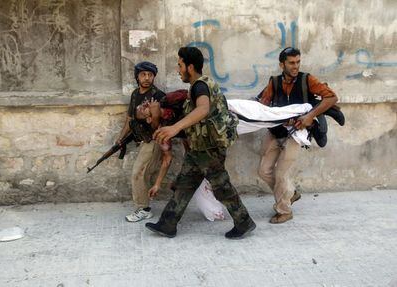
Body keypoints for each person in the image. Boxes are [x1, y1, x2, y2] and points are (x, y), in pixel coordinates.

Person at [144, 47, 256, 239]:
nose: (178, 70)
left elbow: (203, 109)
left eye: (180, 65)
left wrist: (175, 128)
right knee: (184, 185)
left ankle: (244, 221)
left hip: (209, 149)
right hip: (199, 149)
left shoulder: (199, 86)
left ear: (190, 66)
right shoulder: (199, 85)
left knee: (222, 186)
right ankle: (167, 224)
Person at [256, 47, 338, 224]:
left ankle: (284, 210)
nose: (295, 66)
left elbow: (331, 98)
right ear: (282, 64)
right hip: (276, 131)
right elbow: (262, 104)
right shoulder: (275, 82)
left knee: (281, 173)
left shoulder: (307, 80)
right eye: (291, 63)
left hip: (297, 134)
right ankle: (290, 193)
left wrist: (309, 116)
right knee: (263, 171)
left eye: (298, 62)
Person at [116, 61, 165, 222]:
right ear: (137, 76)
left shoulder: (157, 96)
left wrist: (151, 117)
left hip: (154, 139)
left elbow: (162, 122)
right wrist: (121, 137)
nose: (147, 78)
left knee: (138, 172)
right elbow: (130, 118)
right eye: (143, 74)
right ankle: (143, 206)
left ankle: (144, 208)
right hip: (142, 139)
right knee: (142, 173)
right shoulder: (135, 94)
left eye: (150, 75)